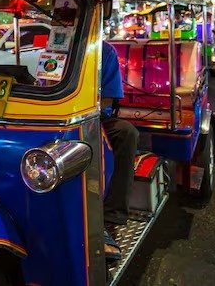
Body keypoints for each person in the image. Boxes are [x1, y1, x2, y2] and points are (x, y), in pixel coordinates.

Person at [100, 38, 139, 262]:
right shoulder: (49, 46)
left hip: (93, 118)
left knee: (127, 133)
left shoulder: (104, 51)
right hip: (51, 117)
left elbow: (108, 98)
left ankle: (111, 217)